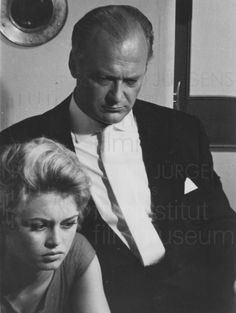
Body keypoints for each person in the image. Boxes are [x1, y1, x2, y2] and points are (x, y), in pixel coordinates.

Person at [0, 5, 235, 313]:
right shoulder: (19, 144)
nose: (117, 96)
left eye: (131, 81)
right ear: (74, 64)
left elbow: (218, 216)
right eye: (104, 78)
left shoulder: (181, 130)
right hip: (103, 300)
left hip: (196, 296)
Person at [0, 137, 111, 313]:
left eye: (68, 224)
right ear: (5, 221)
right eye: (38, 226)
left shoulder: (77, 253)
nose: (56, 241)